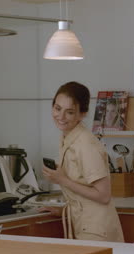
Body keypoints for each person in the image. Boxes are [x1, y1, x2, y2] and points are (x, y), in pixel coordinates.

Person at [39, 81, 124, 242]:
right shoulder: (68, 137)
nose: (61, 117)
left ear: (82, 114)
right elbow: (83, 187)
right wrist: (63, 211)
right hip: (87, 225)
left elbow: (103, 195)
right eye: (57, 109)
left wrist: (61, 179)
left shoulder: (85, 144)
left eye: (69, 112)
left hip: (97, 230)